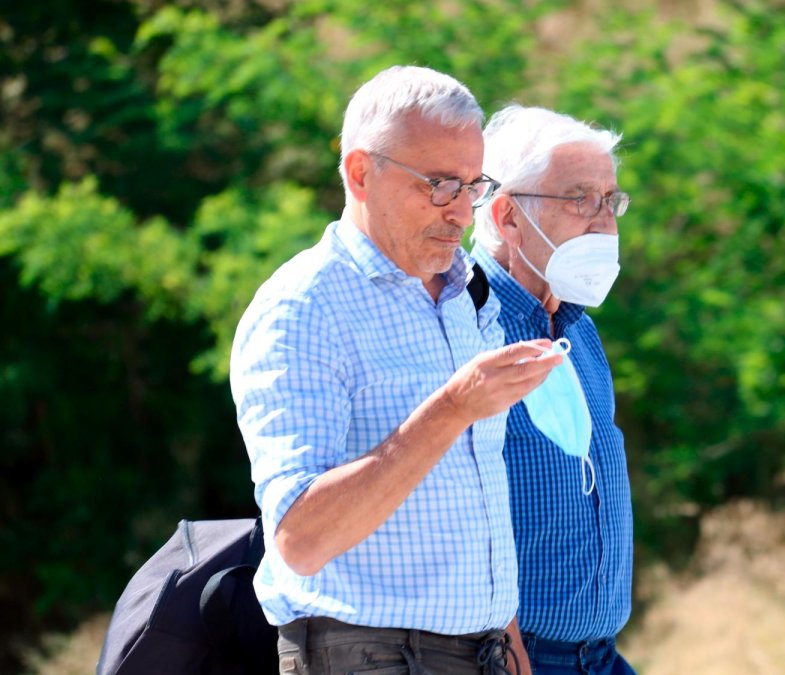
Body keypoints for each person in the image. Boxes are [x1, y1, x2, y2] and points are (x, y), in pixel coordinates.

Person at [229, 66, 559, 675]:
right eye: (438, 185)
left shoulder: (464, 296)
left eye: (472, 185)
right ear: (360, 173)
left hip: (485, 652)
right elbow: (300, 540)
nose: (461, 212)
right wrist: (451, 409)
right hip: (366, 655)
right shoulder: (301, 308)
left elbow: (473, 504)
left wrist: (509, 648)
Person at [471, 105, 636, 675]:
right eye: (579, 198)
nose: (605, 221)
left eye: (611, 200)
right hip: (517, 660)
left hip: (601, 657)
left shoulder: (579, 328)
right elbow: (452, 514)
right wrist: (509, 655)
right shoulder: (463, 329)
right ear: (508, 216)